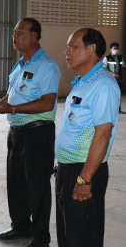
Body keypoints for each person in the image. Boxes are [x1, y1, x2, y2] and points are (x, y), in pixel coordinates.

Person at [0, 18, 60, 247]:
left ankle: (41, 236)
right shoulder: (20, 64)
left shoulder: (46, 65)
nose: (15, 35)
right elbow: (13, 92)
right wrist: (0, 104)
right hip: (16, 131)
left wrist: (12, 107)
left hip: (38, 133)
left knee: (38, 186)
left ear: (34, 36)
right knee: (16, 183)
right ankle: (20, 226)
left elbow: (47, 103)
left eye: (20, 32)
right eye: (14, 31)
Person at [55, 28, 120, 247]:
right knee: (68, 234)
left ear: (91, 49)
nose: (66, 51)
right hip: (69, 168)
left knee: (83, 237)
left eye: (72, 46)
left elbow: (103, 135)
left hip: (84, 170)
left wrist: (85, 179)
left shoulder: (103, 85)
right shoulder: (84, 81)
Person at [102, 42, 125, 114]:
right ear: (110, 50)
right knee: (110, 94)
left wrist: (121, 77)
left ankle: (118, 109)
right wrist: (112, 74)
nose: (116, 50)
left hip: (119, 79)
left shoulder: (120, 57)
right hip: (110, 79)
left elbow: (123, 67)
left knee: (118, 94)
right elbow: (104, 68)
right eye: (114, 49)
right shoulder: (107, 58)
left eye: (117, 49)